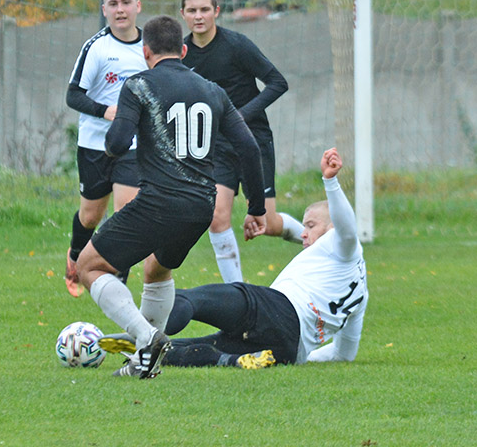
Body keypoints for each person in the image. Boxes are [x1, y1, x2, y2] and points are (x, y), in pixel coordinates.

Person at [76, 15, 267, 378]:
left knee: (89, 266)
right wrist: (256, 207)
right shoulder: (213, 90)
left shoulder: (139, 85)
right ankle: (142, 364)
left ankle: (146, 337)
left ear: (145, 52)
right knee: (156, 267)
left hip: (158, 201)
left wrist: (117, 138)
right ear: (182, 50)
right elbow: (249, 148)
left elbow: (116, 144)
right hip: (200, 206)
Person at [104, 148, 367, 370]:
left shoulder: (343, 243)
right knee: (198, 346)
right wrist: (304, 357)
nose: (304, 233)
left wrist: (331, 183)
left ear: (332, 228)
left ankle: (139, 331)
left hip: (275, 310)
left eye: (310, 225)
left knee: (186, 300)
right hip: (288, 351)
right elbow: (344, 354)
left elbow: (347, 229)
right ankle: (230, 360)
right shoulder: (359, 293)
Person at [180, 0, 304, 284]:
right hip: (217, 146)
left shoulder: (236, 45)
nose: (199, 16)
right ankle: (239, 294)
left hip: (253, 141)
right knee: (217, 217)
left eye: (205, 10)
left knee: (267, 222)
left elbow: (278, 82)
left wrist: (239, 116)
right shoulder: (181, 54)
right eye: (192, 10)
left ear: (216, 12)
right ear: (183, 14)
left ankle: (321, 238)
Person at [64, 0, 147, 297]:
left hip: (133, 146)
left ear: (137, 7)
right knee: (90, 215)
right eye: (113, 4)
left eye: (126, 2)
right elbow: (73, 96)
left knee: (125, 212)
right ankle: (75, 256)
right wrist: (106, 111)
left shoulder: (149, 48)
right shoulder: (97, 47)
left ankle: (116, 280)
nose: (120, 9)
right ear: (104, 10)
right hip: (95, 146)